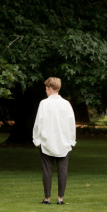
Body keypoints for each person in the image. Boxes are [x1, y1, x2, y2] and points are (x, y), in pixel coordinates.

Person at [33, 77, 76, 205]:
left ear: (50, 89)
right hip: (63, 142)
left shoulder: (44, 103)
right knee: (62, 171)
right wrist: (71, 141)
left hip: (47, 141)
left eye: (46, 89)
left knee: (47, 171)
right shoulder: (66, 104)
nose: (46, 91)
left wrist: (37, 139)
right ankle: (60, 198)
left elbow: (38, 123)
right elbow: (71, 123)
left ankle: (47, 198)